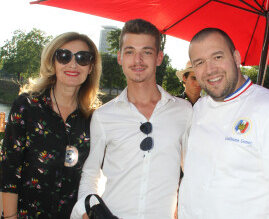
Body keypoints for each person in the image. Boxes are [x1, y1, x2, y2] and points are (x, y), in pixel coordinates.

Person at [71, 19, 192, 219]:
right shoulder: (103, 116)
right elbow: (90, 174)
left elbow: (191, 171)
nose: (137, 60)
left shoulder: (184, 111)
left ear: (159, 57)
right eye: (129, 51)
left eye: (146, 51)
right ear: (120, 57)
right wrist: (87, 211)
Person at [178, 28, 269, 219]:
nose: (210, 69)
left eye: (217, 57)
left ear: (236, 58)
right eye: (199, 63)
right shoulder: (199, 108)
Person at [0, 32, 101, 219]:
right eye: (64, 56)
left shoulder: (94, 118)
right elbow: (9, 171)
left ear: (91, 67)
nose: (73, 64)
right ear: (52, 62)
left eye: (82, 58)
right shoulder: (26, 106)